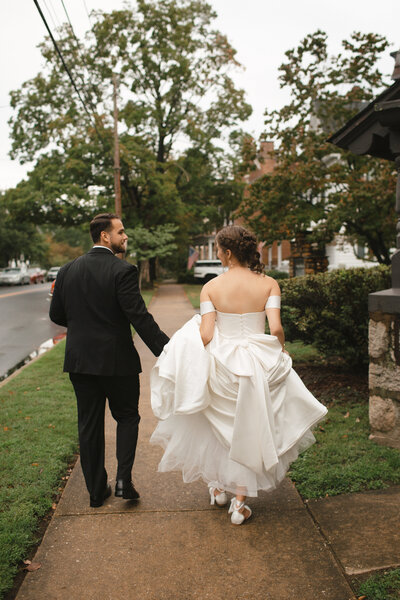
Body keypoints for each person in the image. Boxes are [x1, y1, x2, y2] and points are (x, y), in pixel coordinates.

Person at [150, 225, 327, 525]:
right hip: (259, 362)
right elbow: (277, 328)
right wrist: (279, 351)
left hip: (224, 362)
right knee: (249, 430)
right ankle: (240, 503)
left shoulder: (211, 288)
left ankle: (218, 488)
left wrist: (189, 350)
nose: (217, 254)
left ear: (228, 252)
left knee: (217, 429)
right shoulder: (270, 283)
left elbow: (206, 332)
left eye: (218, 249)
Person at [50, 213, 169, 508]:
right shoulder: (123, 271)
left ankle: (94, 491)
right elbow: (138, 317)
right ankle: (122, 481)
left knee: (89, 424)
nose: (125, 237)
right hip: (118, 362)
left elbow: (56, 315)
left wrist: (82, 324)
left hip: (80, 362)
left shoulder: (67, 270)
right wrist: (168, 349)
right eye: (121, 232)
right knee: (127, 416)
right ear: (106, 236)